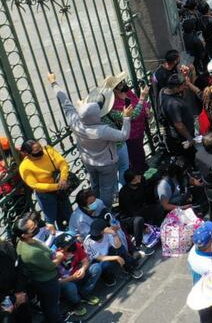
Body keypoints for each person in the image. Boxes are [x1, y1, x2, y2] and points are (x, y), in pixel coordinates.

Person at [50, 73, 132, 207]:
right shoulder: (102, 130)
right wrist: (126, 118)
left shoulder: (76, 123)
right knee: (107, 189)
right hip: (106, 164)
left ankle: (93, 205)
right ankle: (105, 211)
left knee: (95, 185)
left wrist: (54, 83)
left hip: (88, 162)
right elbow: (124, 135)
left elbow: (66, 104)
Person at [16, 213, 64, 322]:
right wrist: (60, 258)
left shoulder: (23, 242)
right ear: (24, 235)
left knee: (47, 304)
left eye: (35, 224)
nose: (36, 228)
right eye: (32, 228)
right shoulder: (32, 252)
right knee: (52, 305)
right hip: (47, 281)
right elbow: (51, 266)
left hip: (40, 279)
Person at [17, 139, 72, 229]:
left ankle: (70, 232)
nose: (40, 150)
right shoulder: (25, 166)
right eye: (36, 150)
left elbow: (62, 163)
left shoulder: (48, 149)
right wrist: (57, 186)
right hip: (46, 195)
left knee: (67, 211)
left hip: (61, 186)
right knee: (50, 218)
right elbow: (34, 185)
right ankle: (52, 236)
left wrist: (63, 178)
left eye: (40, 147)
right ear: (27, 153)